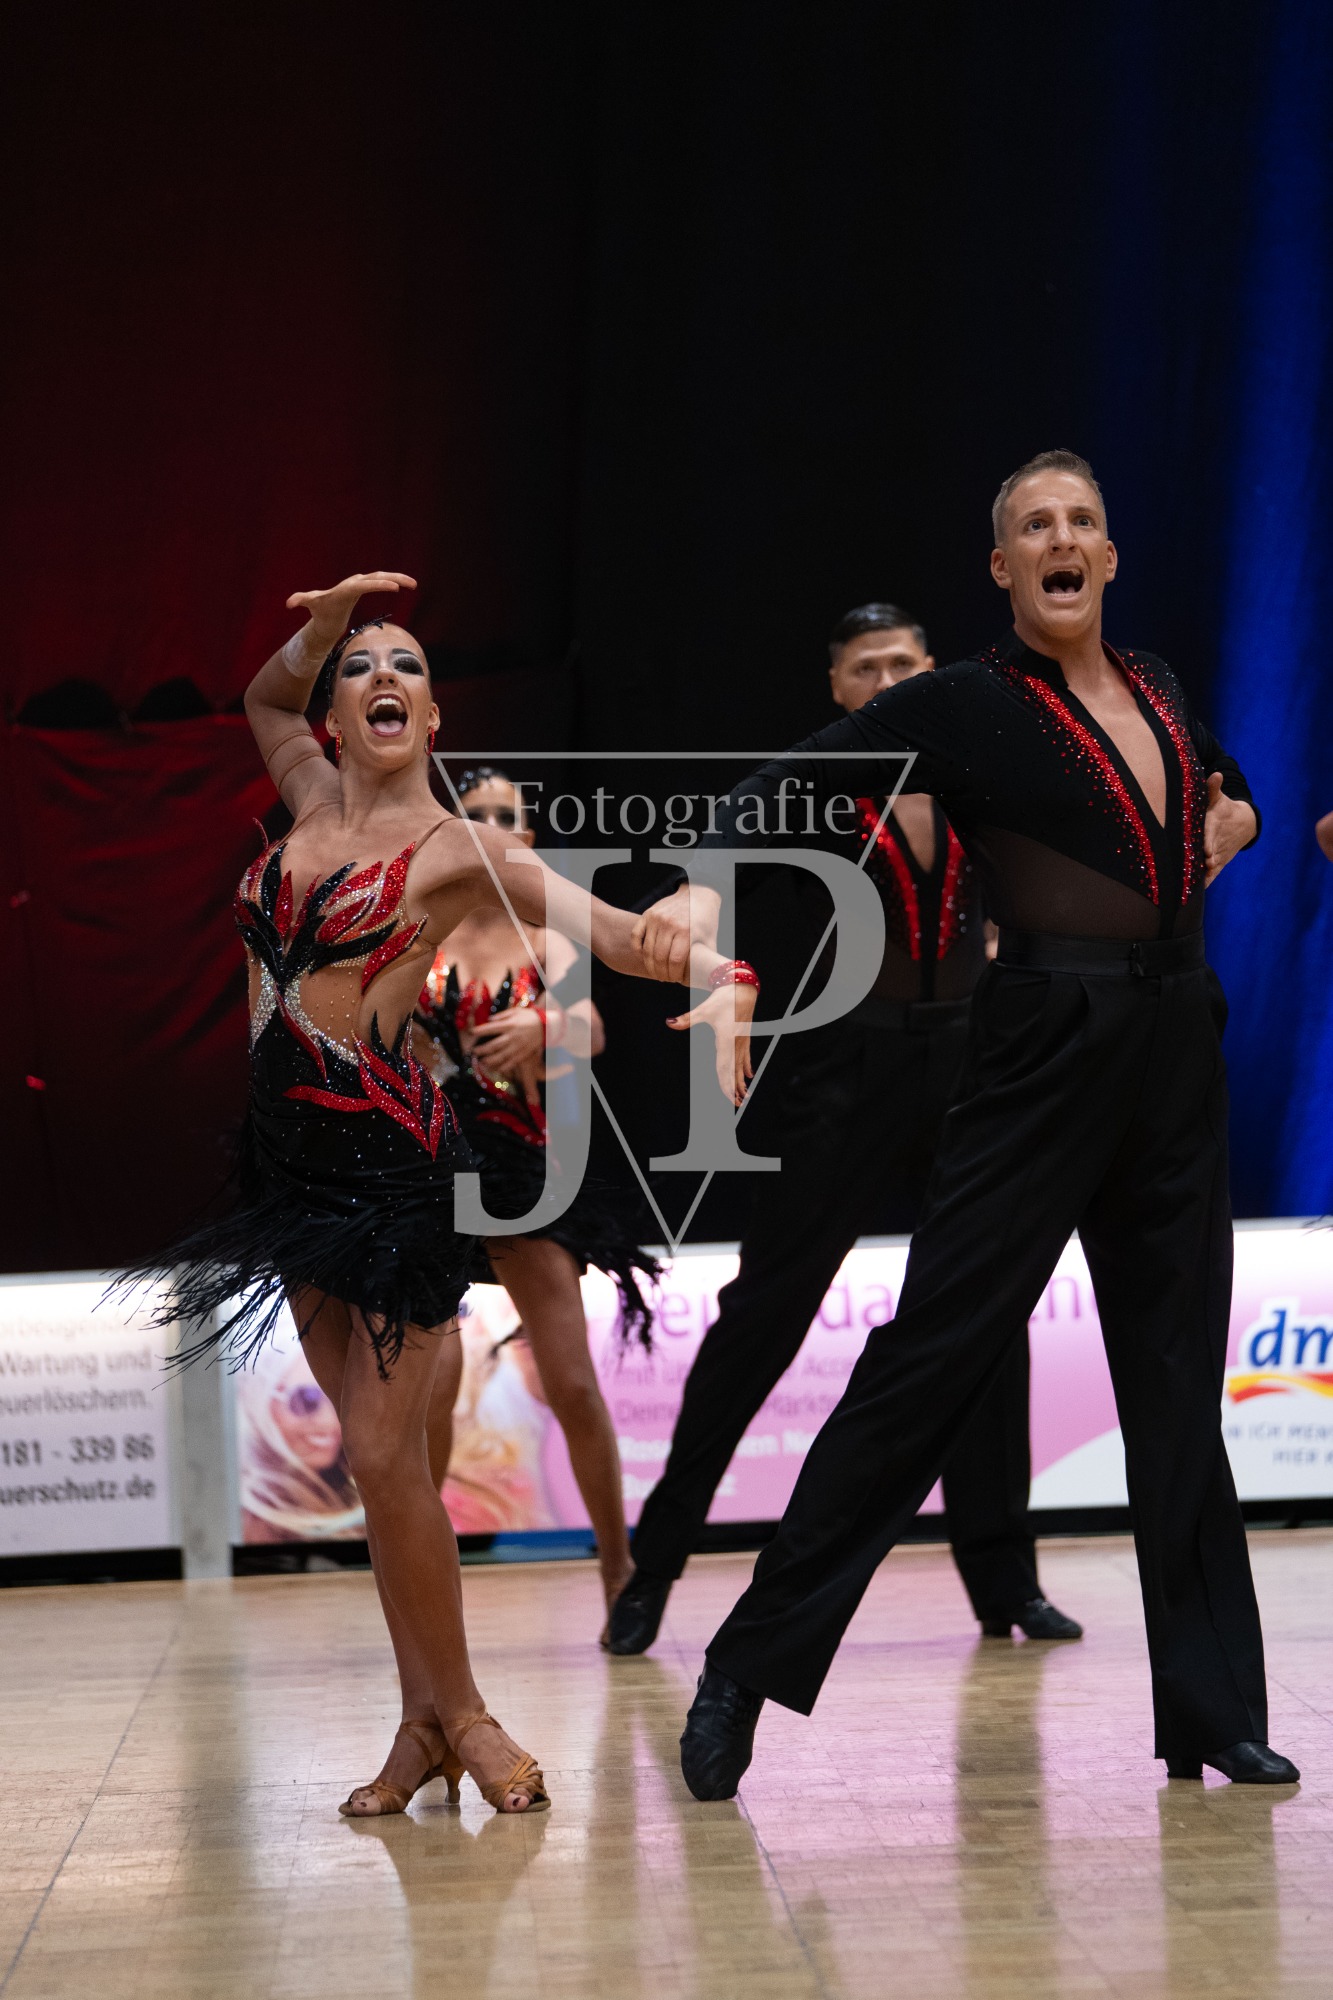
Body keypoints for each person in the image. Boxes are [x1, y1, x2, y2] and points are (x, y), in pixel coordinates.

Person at [637, 452, 1300, 1793]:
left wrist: (1238, 815)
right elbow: (777, 788)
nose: (1062, 539)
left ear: (1108, 555)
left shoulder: (1158, 682)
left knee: (1177, 1378)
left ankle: (1213, 1710)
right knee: (929, 1361)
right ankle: (746, 1665)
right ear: (1003, 569)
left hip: (1177, 1039)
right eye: (1034, 526)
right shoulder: (962, 703)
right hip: (1043, 1043)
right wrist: (705, 887)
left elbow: (1225, 791)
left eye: (1081, 521)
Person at [144, 571, 754, 1818]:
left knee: (381, 1446)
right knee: (381, 1468)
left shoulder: (461, 850)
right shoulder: (307, 797)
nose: (381, 675)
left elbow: (614, 932)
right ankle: (419, 1722)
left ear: (432, 718)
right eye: (358, 665)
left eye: (407, 665)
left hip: (395, 1175)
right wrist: (321, 622)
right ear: (334, 716)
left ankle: (464, 1709)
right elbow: (260, 698)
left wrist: (719, 970)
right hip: (287, 1179)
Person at [607, 605, 1081, 1654]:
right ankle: (654, 1568)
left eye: (902, 662)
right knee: (763, 1315)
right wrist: (695, 910)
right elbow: (724, 850)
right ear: (837, 687)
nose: (885, 680)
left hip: (965, 1068)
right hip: (842, 1070)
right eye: (864, 668)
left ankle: (1005, 1581)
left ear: (931, 669)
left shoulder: (976, 776)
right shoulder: (819, 785)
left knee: (986, 1315)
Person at [415, 766, 659, 1629]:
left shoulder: (546, 932)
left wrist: (545, 1022)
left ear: (525, 836)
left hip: (524, 1169)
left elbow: (593, 1026)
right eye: (474, 815)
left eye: (504, 817)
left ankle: (619, 1570)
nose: (490, 828)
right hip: (430, 1172)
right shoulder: (423, 930)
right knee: (431, 1382)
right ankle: (424, 1576)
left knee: (571, 1384)